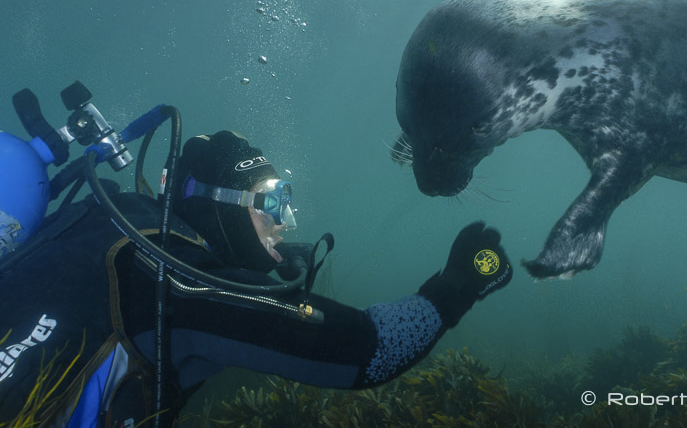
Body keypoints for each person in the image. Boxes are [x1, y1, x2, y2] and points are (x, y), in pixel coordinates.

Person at [0, 130, 512, 427]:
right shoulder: (177, 281)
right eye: (272, 201)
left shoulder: (102, 225)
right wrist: (456, 287)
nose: (286, 220)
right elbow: (364, 349)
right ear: (217, 205)